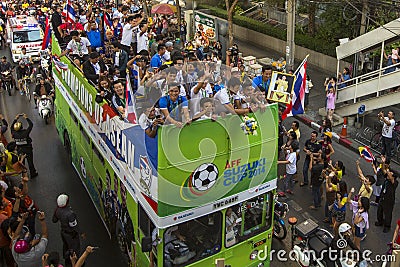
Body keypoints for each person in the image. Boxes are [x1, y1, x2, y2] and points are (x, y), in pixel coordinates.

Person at [52, 194, 85, 265]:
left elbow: (54, 220)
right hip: (71, 235)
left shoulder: (57, 210)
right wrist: (81, 233)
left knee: (66, 245)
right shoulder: (70, 214)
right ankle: (74, 262)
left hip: (63, 232)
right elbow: (74, 226)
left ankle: (66, 258)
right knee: (74, 249)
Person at [375, 168, 398, 233]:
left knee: (387, 213)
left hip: (389, 201)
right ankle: (380, 221)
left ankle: (387, 226)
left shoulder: (395, 183)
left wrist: (388, 171)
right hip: (382, 197)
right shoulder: (386, 180)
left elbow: (390, 177)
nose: (388, 174)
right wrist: (383, 163)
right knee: (379, 210)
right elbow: (384, 171)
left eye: (390, 173)